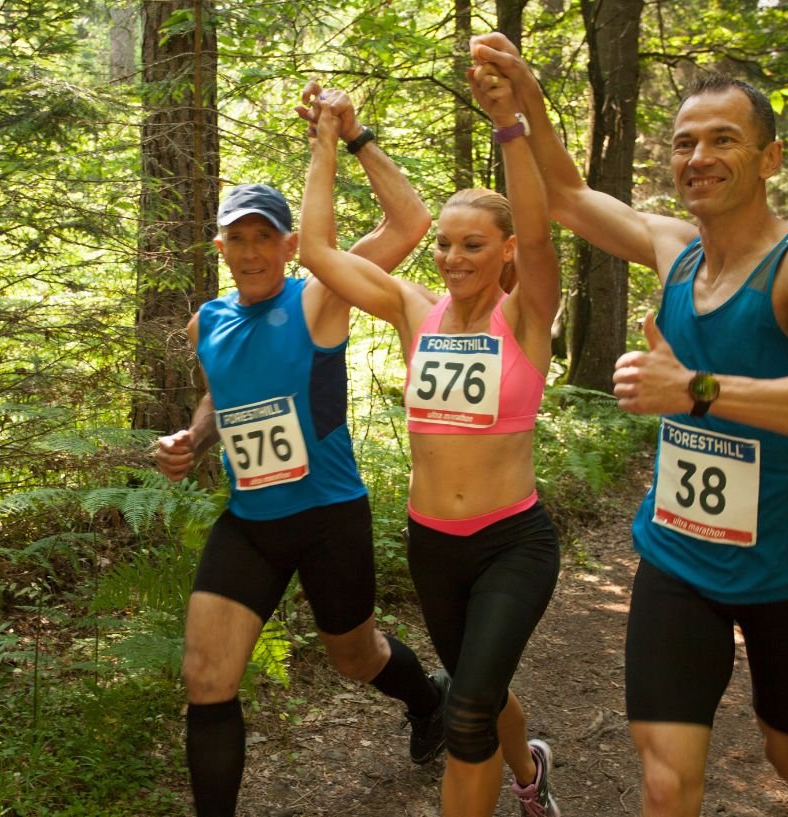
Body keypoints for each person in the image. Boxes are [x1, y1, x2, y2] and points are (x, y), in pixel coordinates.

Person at [471, 33, 788, 817]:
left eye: (724, 139)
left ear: (770, 159)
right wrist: (520, 101)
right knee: (665, 779)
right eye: (685, 143)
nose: (699, 156)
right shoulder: (676, 250)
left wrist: (696, 388)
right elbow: (565, 198)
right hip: (681, 555)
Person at [154, 84, 448, 817]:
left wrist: (347, 137)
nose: (250, 252)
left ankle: (427, 701)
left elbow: (411, 223)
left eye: (265, 237)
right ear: (219, 247)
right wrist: (191, 440)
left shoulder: (321, 294)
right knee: (205, 675)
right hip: (250, 520)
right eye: (237, 238)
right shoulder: (206, 321)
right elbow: (221, 395)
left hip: (328, 515)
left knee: (356, 656)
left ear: (289, 244)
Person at [298, 56, 564, 817]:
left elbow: (542, 231)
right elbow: (318, 252)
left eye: (473, 245)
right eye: (444, 244)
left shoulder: (527, 316)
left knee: (467, 708)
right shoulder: (416, 311)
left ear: (506, 250)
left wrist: (511, 123)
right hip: (432, 544)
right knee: (483, 691)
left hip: (513, 540)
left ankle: (506, 777)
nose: (451, 259)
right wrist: (334, 139)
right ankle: (530, 771)